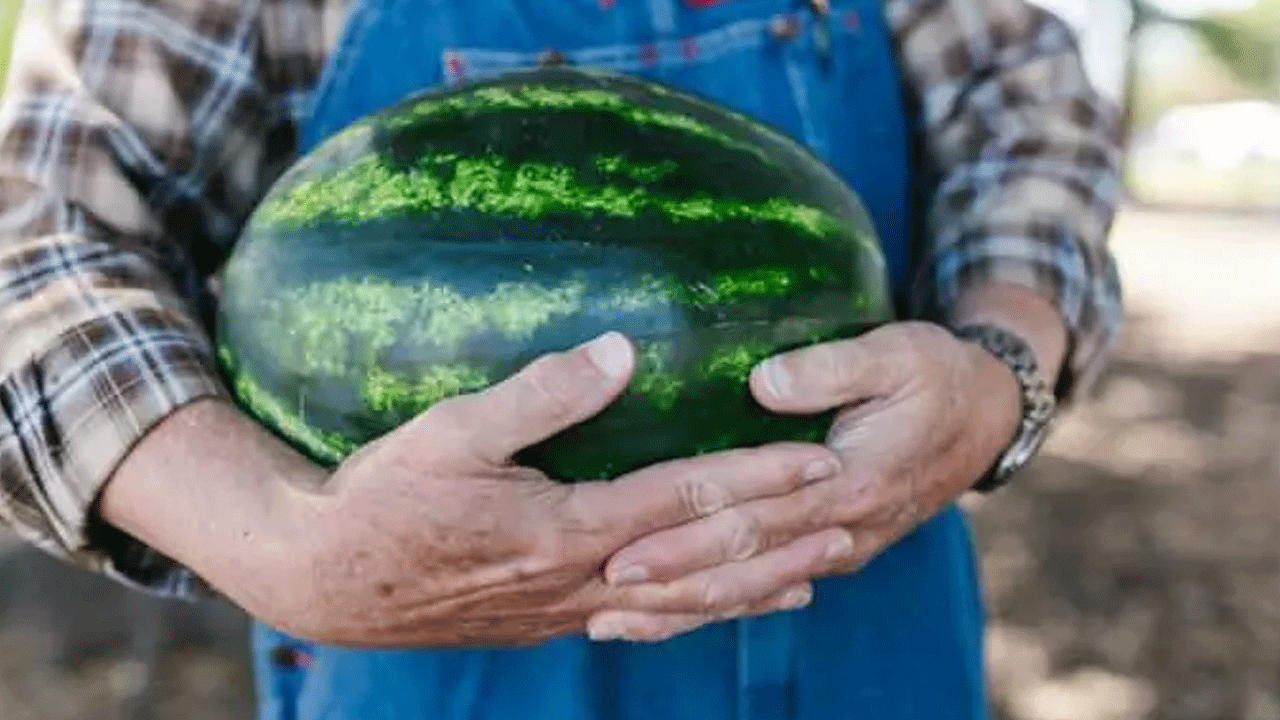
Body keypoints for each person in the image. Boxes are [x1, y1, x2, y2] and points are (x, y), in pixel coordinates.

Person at [0, 0, 1122, 718]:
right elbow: (32, 244)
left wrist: (995, 372)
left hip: (869, 656)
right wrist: (288, 546)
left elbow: (1023, 112)